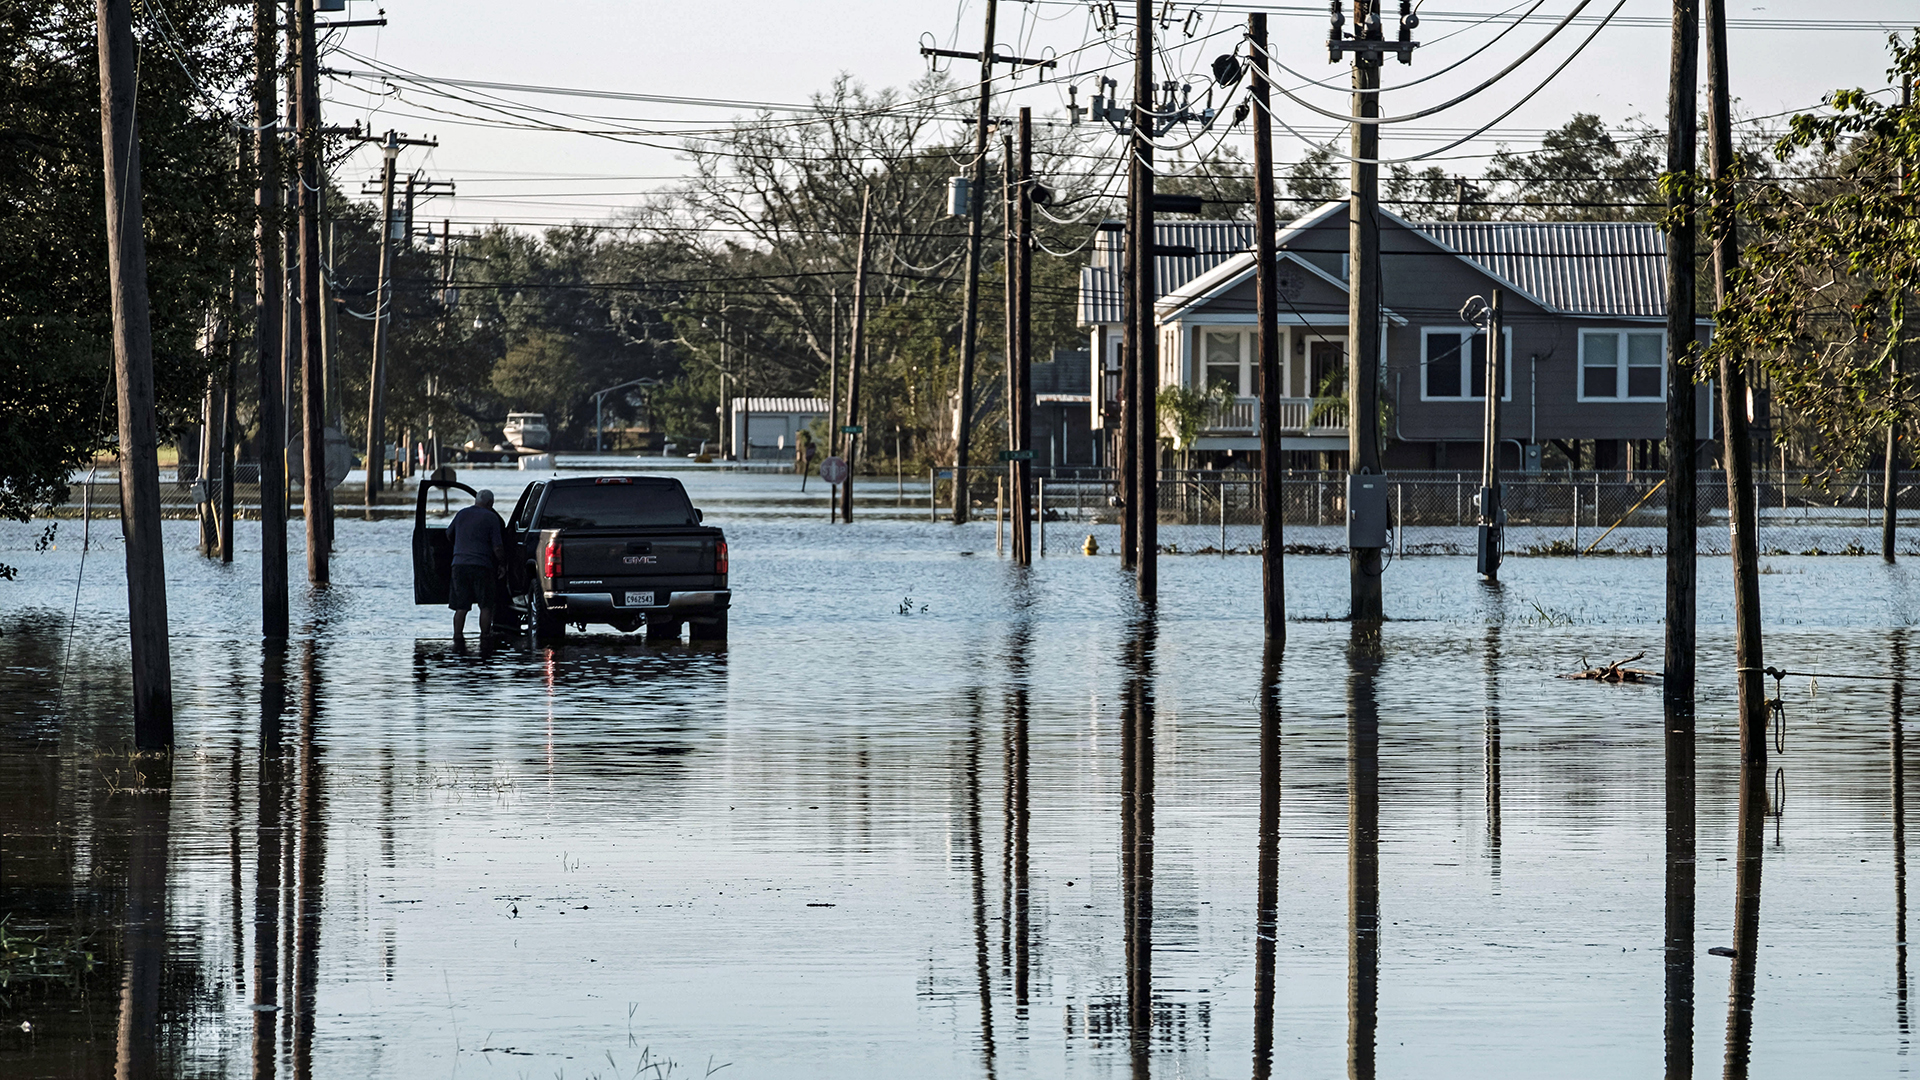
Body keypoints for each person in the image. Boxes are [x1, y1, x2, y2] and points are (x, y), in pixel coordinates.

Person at [448, 489, 507, 642]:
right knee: (485, 605)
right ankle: (485, 637)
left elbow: (449, 534)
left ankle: (457, 637)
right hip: (482, 566)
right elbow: (498, 548)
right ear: (490, 503)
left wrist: (459, 547)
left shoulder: (461, 514)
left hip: (459, 565)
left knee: (461, 607)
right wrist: (502, 564)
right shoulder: (491, 518)